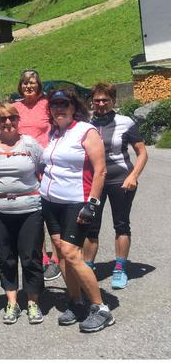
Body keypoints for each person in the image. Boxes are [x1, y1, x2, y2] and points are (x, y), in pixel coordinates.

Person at [40, 89, 114, 332]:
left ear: (74, 107)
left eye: (64, 104)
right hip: (51, 203)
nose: (59, 109)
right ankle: (76, 301)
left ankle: (100, 308)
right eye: (54, 105)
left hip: (77, 201)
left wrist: (92, 204)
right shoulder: (54, 133)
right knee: (61, 253)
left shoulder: (86, 130)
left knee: (72, 254)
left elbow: (100, 170)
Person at [0, 103, 45, 325]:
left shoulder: (30, 144)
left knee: (30, 257)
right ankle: (11, 301)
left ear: (18, 120)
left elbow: (44, 169)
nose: (7, 123)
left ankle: (33, 302)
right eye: (1, 119)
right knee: (5, 257)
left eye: (11, 118)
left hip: (29, 209)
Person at [83, 83, 148, 289]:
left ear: (113, 101)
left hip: (121, 181)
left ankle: (120, 268)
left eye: (105, 100)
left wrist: (134, 176)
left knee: (121, 224)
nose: (101, 104)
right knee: (91, 226)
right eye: (97, 100)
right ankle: (87, 267)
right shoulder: (84, 123)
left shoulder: (125, 122)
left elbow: (142, 153)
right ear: (91, 102)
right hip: (95, 183)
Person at [12, 69, 60, 281]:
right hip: (25, 164)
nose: (28, 86)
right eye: (24, 83)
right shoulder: (15, 107)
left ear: (39, 85)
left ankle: (57, 257)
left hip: (48, 164)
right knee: (35, 211)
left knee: (52, 210)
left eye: (32, 83)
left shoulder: (48, 104)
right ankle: (42, 256)